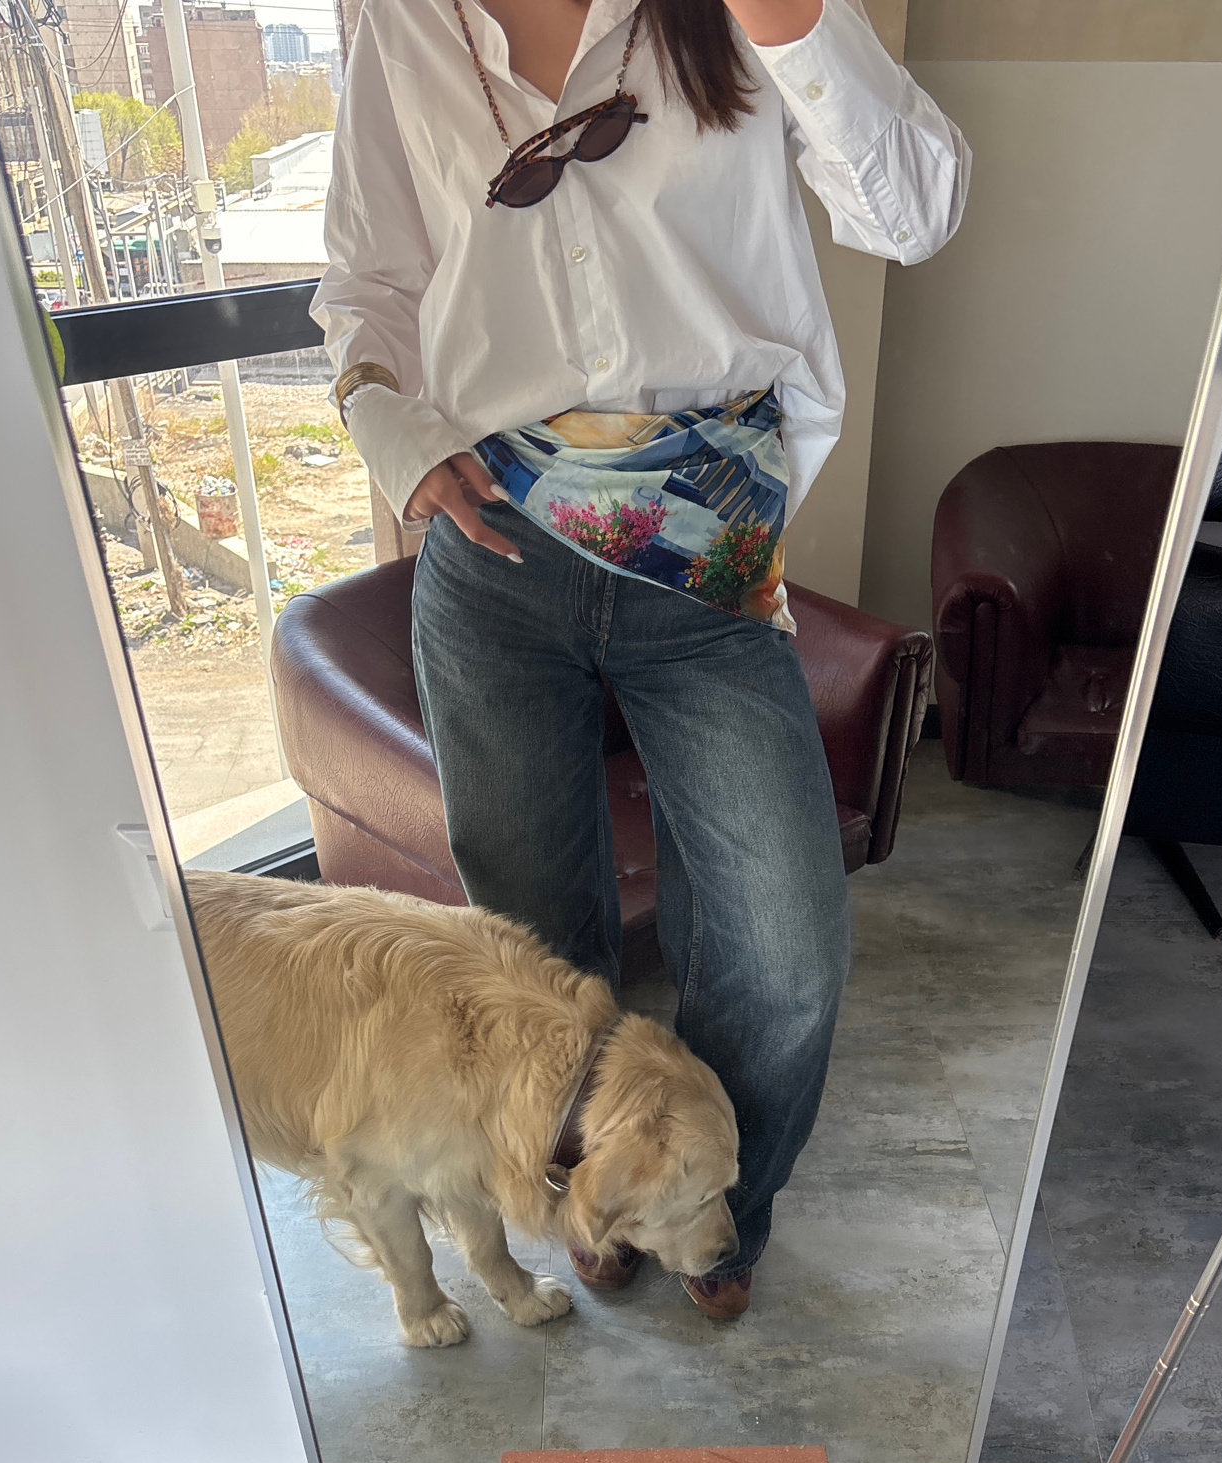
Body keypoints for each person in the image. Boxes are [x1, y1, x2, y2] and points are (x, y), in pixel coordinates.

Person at [311, 0, 969, 1318]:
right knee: (536, 958)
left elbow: (916, 214)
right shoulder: (407, 22)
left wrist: (789, 24)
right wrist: (395, 434)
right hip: (493, 549)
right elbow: (367, 280)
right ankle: (595, 1201)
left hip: (704, 543)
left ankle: (718, 1214)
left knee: (784, 950)